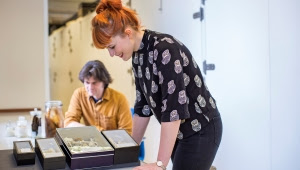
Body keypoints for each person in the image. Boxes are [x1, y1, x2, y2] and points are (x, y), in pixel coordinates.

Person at [91, 0, 223, 169]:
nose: (111, 54)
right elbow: (142, 108)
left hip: (202, 128)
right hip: (180, 132)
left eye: (112, 47)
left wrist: (160, 164)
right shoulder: (137, 56)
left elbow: (173, 111)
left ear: (128, 33)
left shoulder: (164, 49)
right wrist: (131, 150)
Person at [64, 60, 133, 134]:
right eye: (87, 82)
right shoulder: (79, 94)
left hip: (113, 144)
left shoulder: (120, 99)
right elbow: (69, 123)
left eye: (94, 83)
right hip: (90, 142)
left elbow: (127, 133)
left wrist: (99, 133)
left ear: (104, 82)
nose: (90, 87)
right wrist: (93, 131)